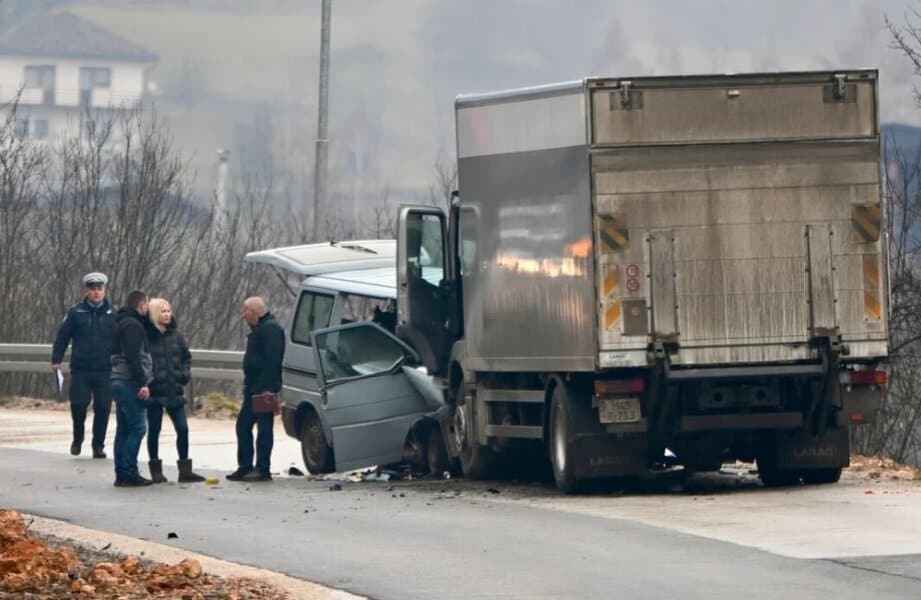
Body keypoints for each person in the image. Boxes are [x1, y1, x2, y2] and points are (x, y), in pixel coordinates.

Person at [51, 272, 117, 459]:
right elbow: (62, 337)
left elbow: (121, 341)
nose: (96, 293)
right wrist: (56, 359)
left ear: (105, 291)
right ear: (86, 291)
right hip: (81, 369)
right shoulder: (76, 313)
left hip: (104, 369)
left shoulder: (113, 314)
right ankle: (78, 438)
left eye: (100, 289)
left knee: (103, 407)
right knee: (79, 406)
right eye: (93, 289)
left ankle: (98, 445)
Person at [143, 298, 205, 484]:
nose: (167, 315)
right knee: (154, 430)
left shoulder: (176, 335)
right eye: (163, 311)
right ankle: (156, 471)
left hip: (174, 390)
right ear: (155, 314)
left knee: (183, 429)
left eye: (169, 311)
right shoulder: (146, 336)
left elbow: (186, 357)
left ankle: (185, 470)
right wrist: (148, 379)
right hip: (155, 392)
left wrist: (184, 374)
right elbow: (142, 360)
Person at [227, 297, 285, 482]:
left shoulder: (272, 330)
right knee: (243, 426)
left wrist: (269, 388)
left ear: (256, 312)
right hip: (252, 387)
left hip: (263, 389)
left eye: (246, 311)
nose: (244, 315)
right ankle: (245, 467)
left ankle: (262, 468)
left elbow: (273, 361)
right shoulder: (261, 329)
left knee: (263, 428)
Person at [110, 290, 154, 487]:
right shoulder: (133, 325)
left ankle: (121, 473)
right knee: (138, 428)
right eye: (147, 305)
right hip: (129, 382)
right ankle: (129, 472)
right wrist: (143, 382)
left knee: (124, 430)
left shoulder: (119, 321)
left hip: (117, 380)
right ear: (141, 305)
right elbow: (133, 356)